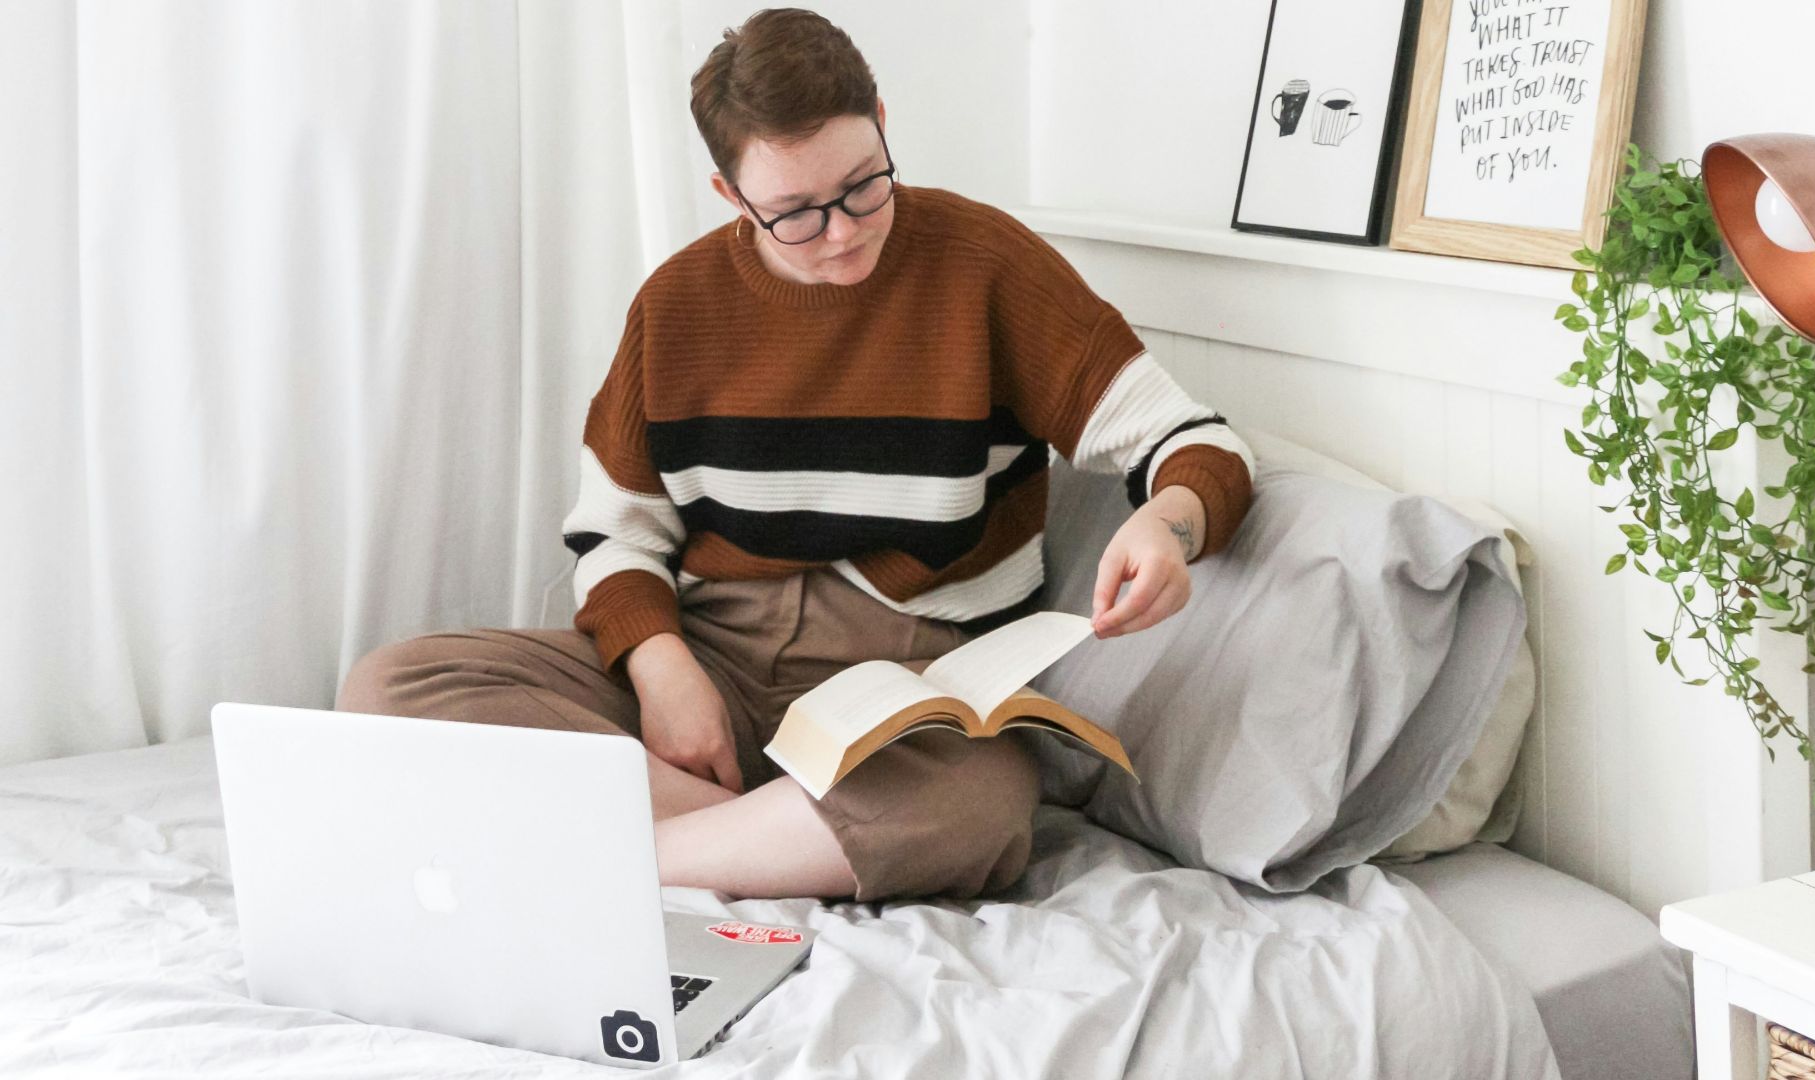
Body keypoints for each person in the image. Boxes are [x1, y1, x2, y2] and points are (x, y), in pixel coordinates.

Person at [337, 7, 1256, 904]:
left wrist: (1168, 523)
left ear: (884, 126)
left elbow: (1192, 441)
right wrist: (663, 671)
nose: (845, 230)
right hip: (713, 655)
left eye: (863, 184)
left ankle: (644, 851)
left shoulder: (987, 265)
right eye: (796, 214)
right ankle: (770, 837)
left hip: (909, 692)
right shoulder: (676, 306)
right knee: (391, 688)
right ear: (732, 198)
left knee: (982, 807)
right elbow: (613, 536)